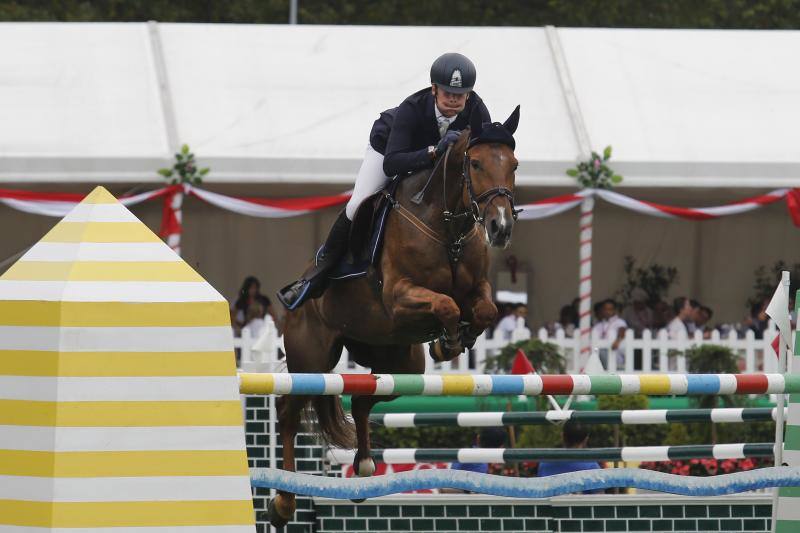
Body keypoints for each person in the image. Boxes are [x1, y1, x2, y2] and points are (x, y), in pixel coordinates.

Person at [277, 53, 491, 310]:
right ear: (434, 89)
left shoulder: (477, 110)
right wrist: (434, 151)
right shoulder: (411, 109)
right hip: (389, 149)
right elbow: (392, 163)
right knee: (358, 204)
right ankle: (316, 275)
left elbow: (485, 154)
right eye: (448, 93)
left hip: (436, 167)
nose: (454, 99)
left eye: (461, 94)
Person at [591, 299, 627, 368]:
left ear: (614, 310)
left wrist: (617, 340)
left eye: (610, 309)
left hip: (616, 356)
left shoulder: (619, 322)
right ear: (602, 310)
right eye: (605, 309)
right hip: (600, 355)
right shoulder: (599, 325)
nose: (607, 312)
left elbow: (622, 331)